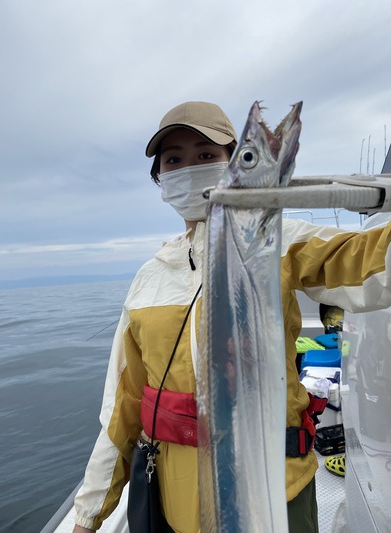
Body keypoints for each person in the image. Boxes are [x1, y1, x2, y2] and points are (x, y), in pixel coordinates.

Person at [72, 101, 391, 533]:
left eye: (205, 155)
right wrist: (89, 515)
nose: (189, 167)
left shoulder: (281, 240)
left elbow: (372, 266)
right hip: (175, 505)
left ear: (228, 166)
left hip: (276, 496)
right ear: (160, 179)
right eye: (174, 159)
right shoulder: (147, 282)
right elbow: (123, 409)